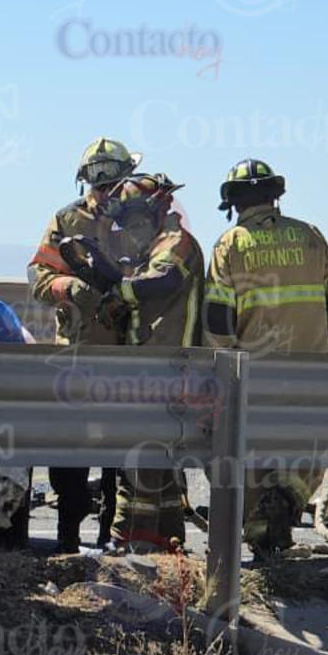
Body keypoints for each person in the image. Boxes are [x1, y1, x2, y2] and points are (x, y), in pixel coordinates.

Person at [29, 138, 203, 552]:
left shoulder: (141, 217)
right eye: (102, 185)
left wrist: (122, 296)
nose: (109, 193)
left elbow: (163, 276)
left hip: (128, 355)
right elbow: (39, 276)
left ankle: (115, 541)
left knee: (123, 457)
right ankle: (68, 539)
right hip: (77, 354)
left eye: (116, 183)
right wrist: (69, 287)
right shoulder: (67, 220)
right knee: (70, 453)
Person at [203, 158, 328, 556]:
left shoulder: (230, 244)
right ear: (275, 195)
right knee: (307, 450)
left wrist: (224, 368)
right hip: (312, 372)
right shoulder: (310, 237)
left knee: (252, 452)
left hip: (253, 376)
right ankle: (285, 507)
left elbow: (217, 317)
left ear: (233, 202)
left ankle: (261, 531)